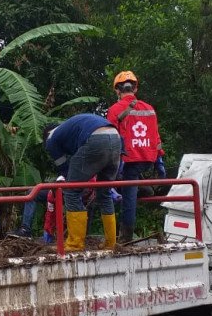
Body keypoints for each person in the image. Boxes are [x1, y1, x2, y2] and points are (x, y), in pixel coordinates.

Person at [43, 114, 122, 251]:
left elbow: (65, 169)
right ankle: (110, 243)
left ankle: (75, 244)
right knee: (104, 194)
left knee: (71, 191)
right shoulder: (69, 131)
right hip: (116, 138)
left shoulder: (51, 140)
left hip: (96, 139)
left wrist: (78, 185)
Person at [106, 70, 166, 242]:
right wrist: (159, 162)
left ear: (118, 90)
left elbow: (111, 138)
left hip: (129, 161)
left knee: (127, 198)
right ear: (135, 88)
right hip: (148, 158)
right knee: (130, 190)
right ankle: (144, 188)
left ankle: (126, 237)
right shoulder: (149, 109)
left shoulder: (115, 109)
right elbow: (156, 137)